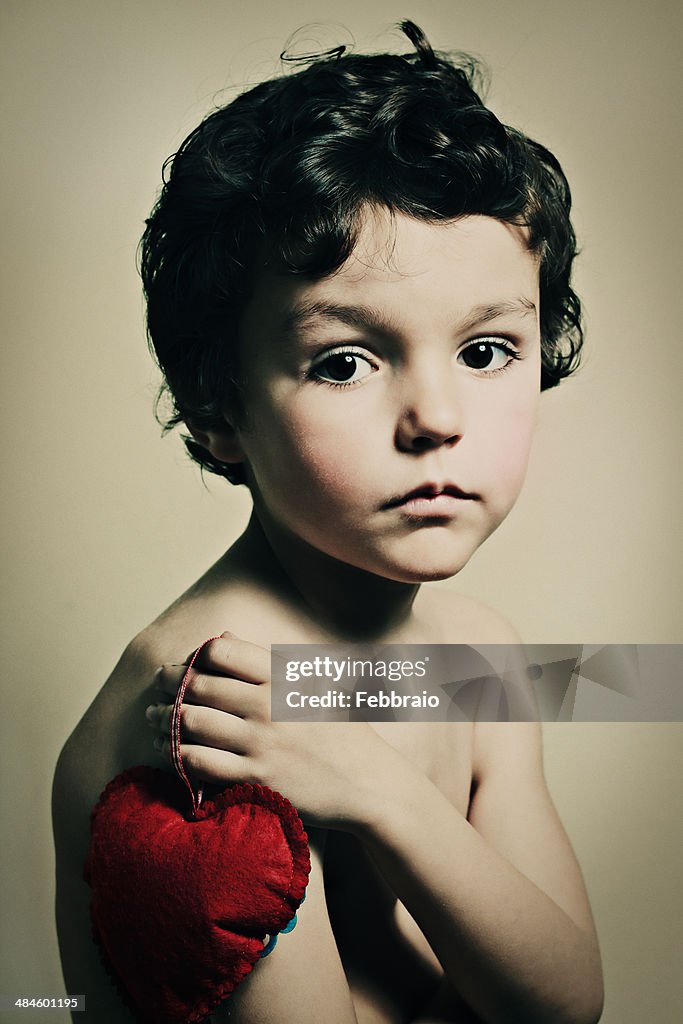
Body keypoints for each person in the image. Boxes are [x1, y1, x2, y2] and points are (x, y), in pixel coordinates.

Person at [52, 21, 603, 1024]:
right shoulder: (203, 721)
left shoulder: (475, 655)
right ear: (220, 411)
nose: (436, 418)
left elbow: (563, 999)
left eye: (485, 350)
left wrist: (378, 791)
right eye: (343, 361)